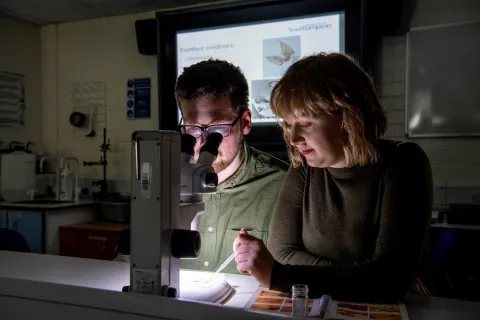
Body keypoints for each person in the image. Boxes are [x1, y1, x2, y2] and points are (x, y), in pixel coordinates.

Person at [233, 52, 433, 302]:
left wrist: (282, 275)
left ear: (348, 116)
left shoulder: (404, 162)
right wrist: (363, 275)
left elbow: (387, 282)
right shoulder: (304, 165)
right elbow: (282, 253)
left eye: (305, 123)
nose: (293, 139)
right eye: (288, 124)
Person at [176, 59, 289, 274]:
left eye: (217, 130)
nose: (203, 142)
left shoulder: (285, 188)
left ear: (245, 122)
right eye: (193, 128)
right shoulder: (163, 183)